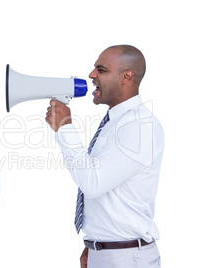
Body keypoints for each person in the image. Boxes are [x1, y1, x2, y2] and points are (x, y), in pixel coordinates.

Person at [45, 45, 164, 267]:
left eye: (101, 69)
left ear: (126, 77)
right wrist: (95, 244)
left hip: (126, 258)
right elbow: (109, 188)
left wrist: (65, 127)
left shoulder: (139, 126)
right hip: (110, 253)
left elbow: (93, 183)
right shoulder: (115, 123)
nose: (91, 75)